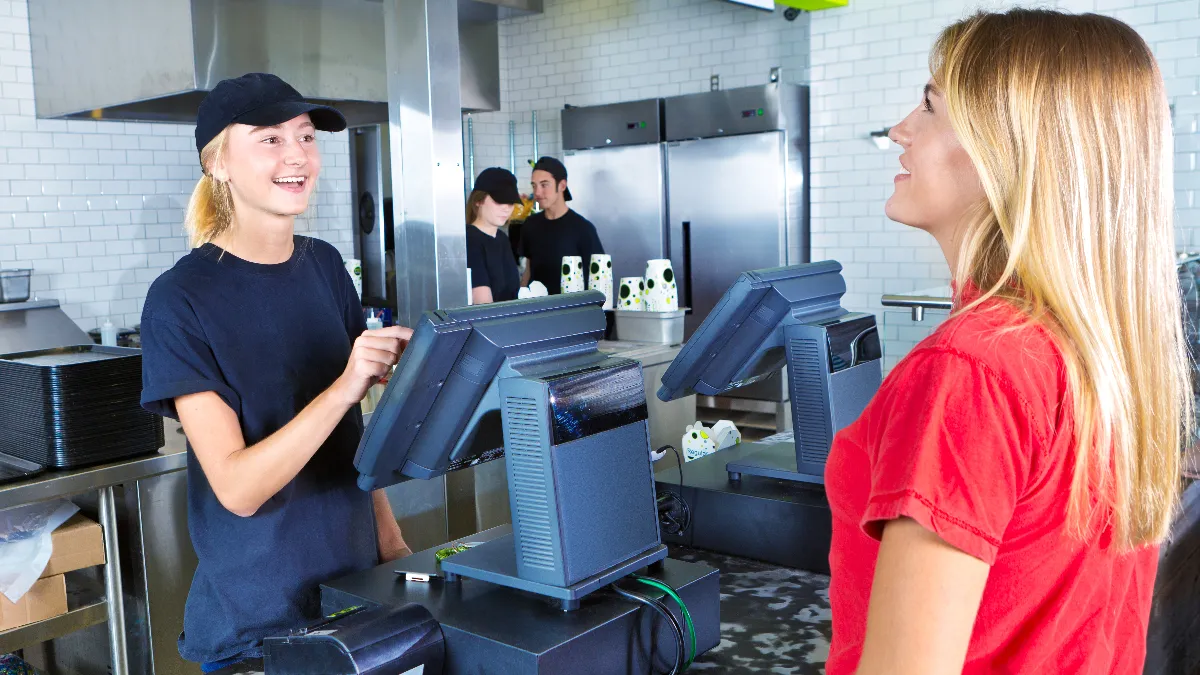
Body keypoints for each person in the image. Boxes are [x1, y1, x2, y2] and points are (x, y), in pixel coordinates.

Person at [824, 10, 1190, 675]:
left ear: (1009, 148)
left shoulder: (971, 369)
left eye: (930, 107)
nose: (900, 129)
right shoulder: (1100, 356)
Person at [139, 73, 414, 673]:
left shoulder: (325, 266)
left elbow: (349, 439)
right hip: (259, 630)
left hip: (357, 599)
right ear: (219, 164)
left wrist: (391, 548)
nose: (298, 156)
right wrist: (346, 384)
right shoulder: (179, 300)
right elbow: (237, 489)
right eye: (269, 139)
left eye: (307, 136)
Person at [517, 156, 604, 295]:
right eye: (534, 185)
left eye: (544, 185)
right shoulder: (530, 225)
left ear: (562, 185)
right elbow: (528, 270)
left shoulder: (583, 229)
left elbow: (598, 278)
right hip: (537, 310)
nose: (537, 192)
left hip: (572, 311)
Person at [466, 167, 521, 304]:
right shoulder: (469, 239)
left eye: (510, 202)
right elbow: (483, 306)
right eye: (499, 201)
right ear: (478, 200)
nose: (506, 208)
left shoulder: (502, 238)